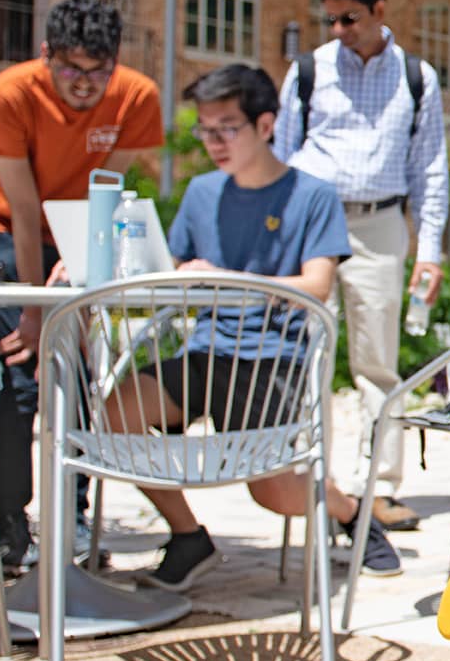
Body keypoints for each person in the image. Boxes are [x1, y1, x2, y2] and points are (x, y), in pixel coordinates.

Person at [106, 65, 400, 589]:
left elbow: (317, 287)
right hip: (204, 355)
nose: (214, 142)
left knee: (275, 496)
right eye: (205, 129)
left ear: (265, 125)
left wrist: (225, 277)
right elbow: (173, 271)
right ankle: (188, 536)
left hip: (273, 364)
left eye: (227, 128)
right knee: (111, 414)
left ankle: (351, 513)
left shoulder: (312, 196)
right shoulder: (200, 194)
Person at [0, 0, 162, 572]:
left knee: (75, 372)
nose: (85, 85)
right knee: (25, 372)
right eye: (70, 69)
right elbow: (21, 209)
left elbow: (104, 198)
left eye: (99, 71)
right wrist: (35, 312)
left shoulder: (136, 96)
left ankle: (72, 515)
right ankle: (11, 524)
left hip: (75, 228)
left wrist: (84, 297)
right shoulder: (10, 93)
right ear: (45, 55)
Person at [274, 0, 449, 533]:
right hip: (314, 223)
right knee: (307, 359)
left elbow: (430, 167)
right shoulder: (307, 71)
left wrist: (431, 250)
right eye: (330, 19)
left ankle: (379, 490)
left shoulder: (417, 77)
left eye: (349, 18)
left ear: (380, 11)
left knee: (377, 362)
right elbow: (280, 155)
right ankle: (312, 484)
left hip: (380, 226)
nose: (339, 30)